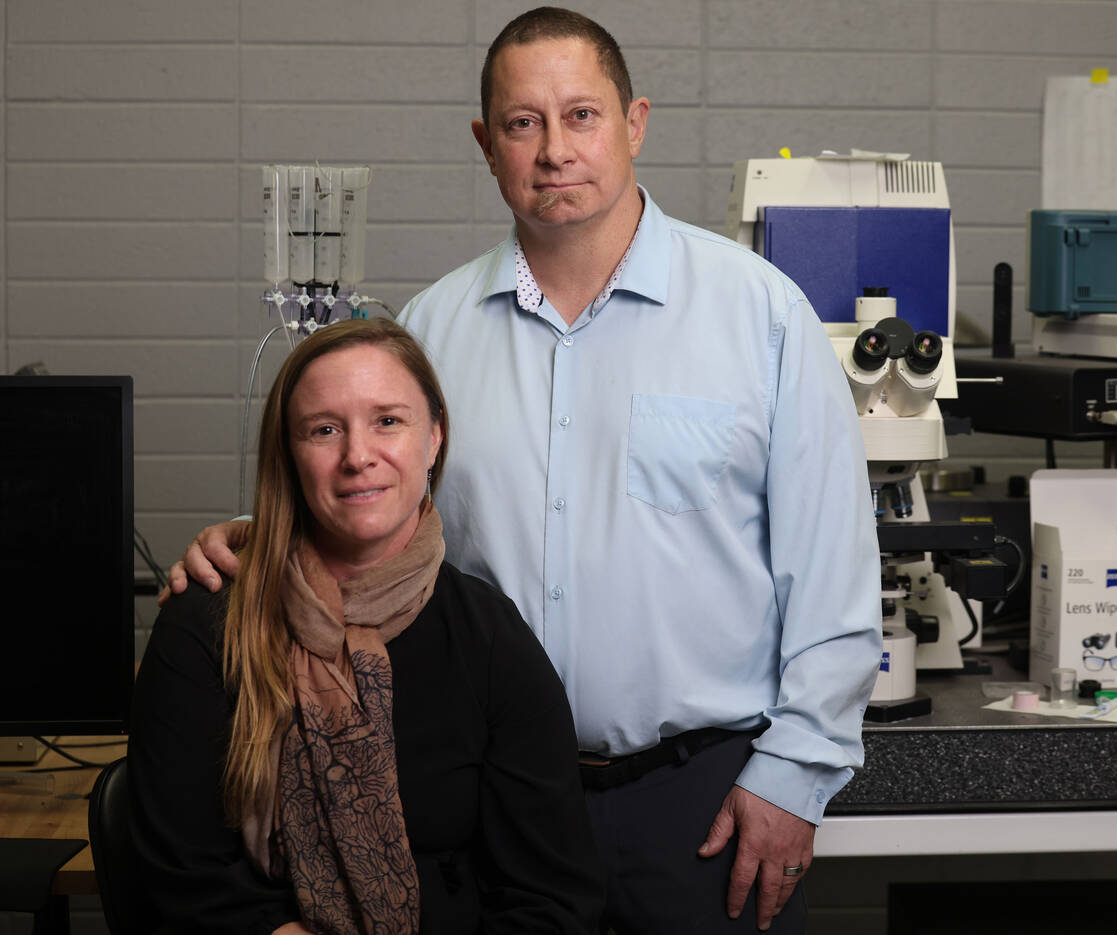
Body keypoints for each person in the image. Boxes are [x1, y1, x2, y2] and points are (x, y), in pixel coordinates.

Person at [167, 7, 882, 932]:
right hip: (486, 813)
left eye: (581, 115)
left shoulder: (762, 316)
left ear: (636, 123)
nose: (554, 149)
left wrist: (794, 779)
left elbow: (834, 578)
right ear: (485, 143)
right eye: (522, 122)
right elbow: (360, 519)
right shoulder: (430, 332)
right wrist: (245, 543)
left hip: (699, 802)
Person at [133, 318, 604, 935]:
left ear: (433, 438)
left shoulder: (489, 636)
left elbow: (552, 895)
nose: (358, 457)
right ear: (289, 454)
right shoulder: (207, 622)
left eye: (388, 421)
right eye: (324, 430)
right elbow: (176, 881)